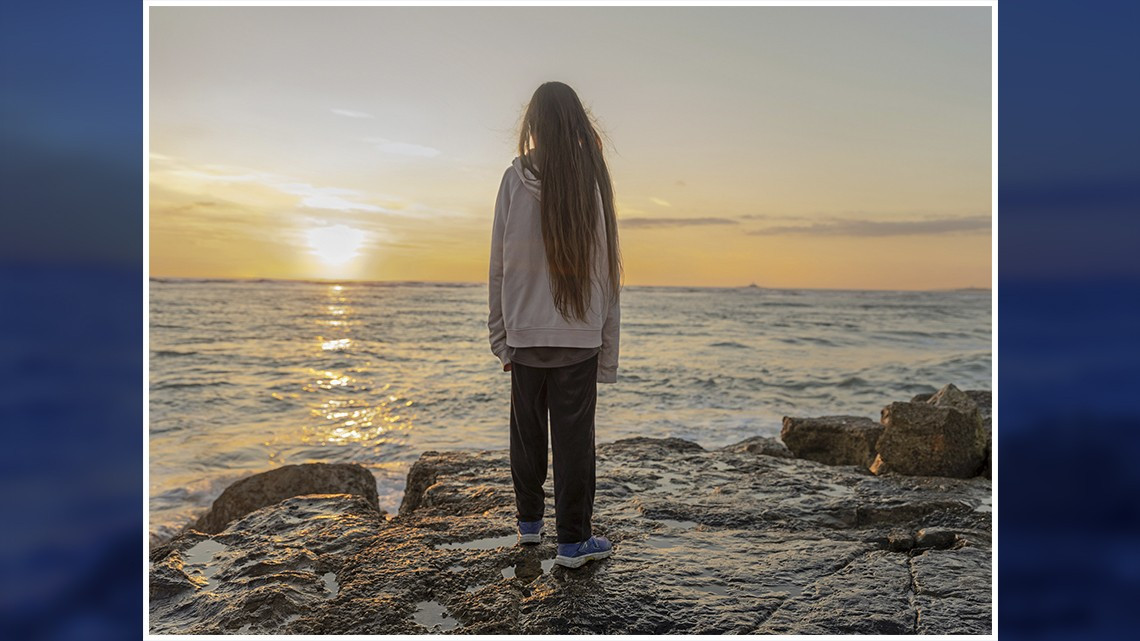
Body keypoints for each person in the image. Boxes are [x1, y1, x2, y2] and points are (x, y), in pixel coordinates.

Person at [487, 81, 622, 569]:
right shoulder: (591, 180)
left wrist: (500, 336)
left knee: (526, 436)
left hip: (525, 333)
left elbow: (498, 264)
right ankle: (572, 542)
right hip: (578, 335)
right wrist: (608, 350)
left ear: (534, 124)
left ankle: (528, 526)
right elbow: (609, 272)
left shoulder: (512, 179)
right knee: (573, 442)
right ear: (577, 123)